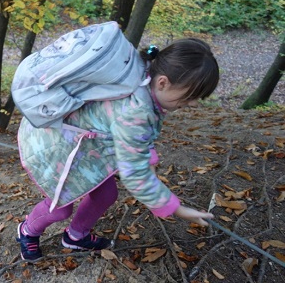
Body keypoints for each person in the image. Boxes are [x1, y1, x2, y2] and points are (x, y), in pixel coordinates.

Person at [16, 38, 220, 261]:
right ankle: (27, 231)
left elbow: (141, 136)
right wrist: (176, 208)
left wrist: (148, 159)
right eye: (190, 96)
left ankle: (75, 236)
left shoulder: (144, 80)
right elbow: (135, 173)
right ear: (162, 82)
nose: (192, 104)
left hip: (86, 150)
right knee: (59, 209)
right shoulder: (136, 110)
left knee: (106, 194)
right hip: (55, 149)